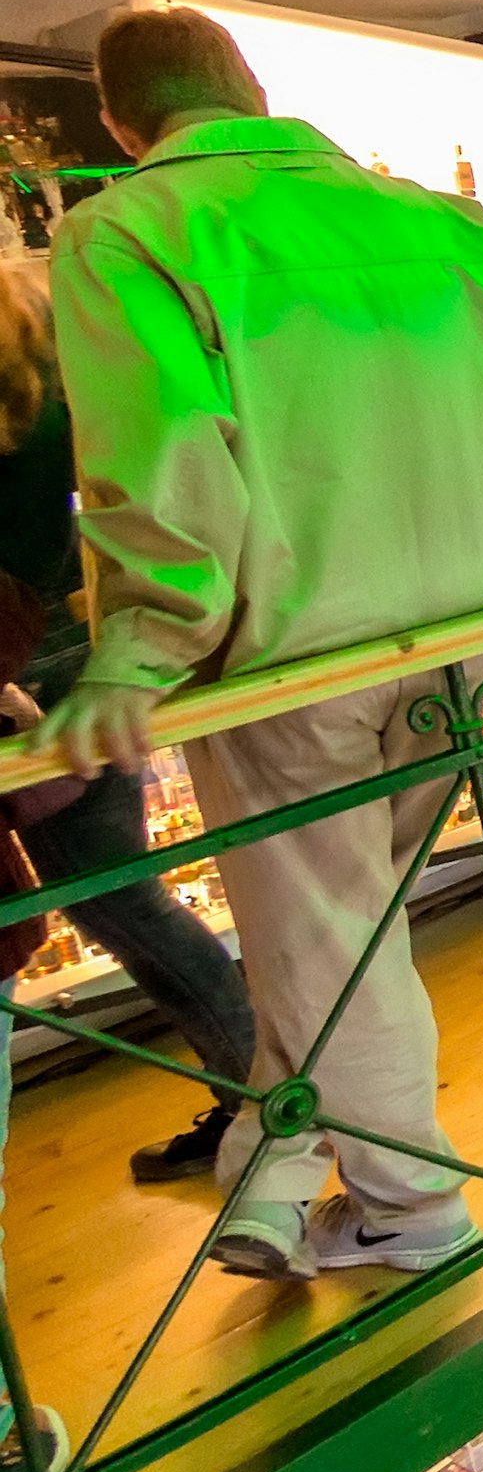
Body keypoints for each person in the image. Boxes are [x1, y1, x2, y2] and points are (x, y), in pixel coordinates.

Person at [47, 7, 483, 1282]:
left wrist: (139, 649)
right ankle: (275, 1155)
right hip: (473, 636)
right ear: (251, 86)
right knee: (345, 933)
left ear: (124, 127)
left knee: (327, 933)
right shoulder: (429, 219)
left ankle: (409, 1210)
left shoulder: (128, 228)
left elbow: (166, 458)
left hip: (300, 652)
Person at [0, 260, 260, 1185]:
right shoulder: (43, 339)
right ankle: (267, 1101)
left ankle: (267, 1105)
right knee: (116, 891)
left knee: (114, 894)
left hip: (23, 663)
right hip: (71, 637)